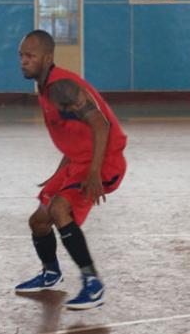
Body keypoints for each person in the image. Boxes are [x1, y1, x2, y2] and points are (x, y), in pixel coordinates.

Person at [14, 30, 127, 310]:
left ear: (48, 57)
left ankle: (93, 284)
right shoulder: (45, 88)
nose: (23, 61)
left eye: (30, 56)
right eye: (21, 56)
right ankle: (51, 273)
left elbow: (101, 125)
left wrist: (94, 173)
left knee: (59, 209)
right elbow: (76, 134)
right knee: (39, 221)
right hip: (78, 163)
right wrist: (60, 172)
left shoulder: (61, 87)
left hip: (104, 162)